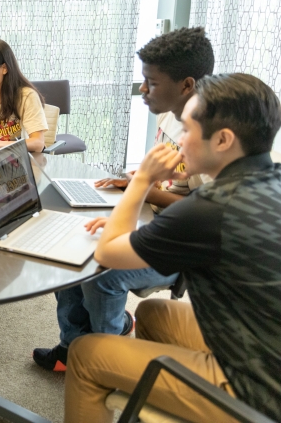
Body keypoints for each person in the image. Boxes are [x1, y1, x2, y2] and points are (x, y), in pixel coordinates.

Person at [64, 73, 281, 422]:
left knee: (87, 353)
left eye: (188, 131)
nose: (180, 142)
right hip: (264, 342)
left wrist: (144, 180)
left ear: (223, 140)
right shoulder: (270, 179)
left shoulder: (210, 208)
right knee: (153, 315)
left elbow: (107, 253)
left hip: (257, 390)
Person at [32, 27, 215, 372]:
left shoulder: (207, 135)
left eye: (152, 82)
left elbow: (205, 213)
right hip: (155, 218)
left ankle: (109, 353)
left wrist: (142, 188)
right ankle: (72, 347)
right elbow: (170, 178)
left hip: (182, 242)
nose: (143, 90)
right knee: (74, 247)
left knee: (102, 272)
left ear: (187, 85)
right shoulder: (169, 116)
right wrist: (135, 181)